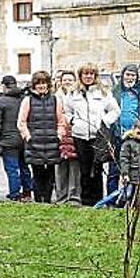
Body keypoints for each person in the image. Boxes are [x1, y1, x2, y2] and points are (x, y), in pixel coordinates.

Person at [64, 63, 120, 206]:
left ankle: (97, 200)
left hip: (98, 136)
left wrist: (104, 122)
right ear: (80, 76)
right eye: (85, 74)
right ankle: (86, 201)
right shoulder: (73, 93)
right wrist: (73, 121)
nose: (88, 77)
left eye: (91, 74)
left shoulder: (103, 92)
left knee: (97, 169)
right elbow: (67, 111)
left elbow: (115, 111)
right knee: (84, 169)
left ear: (95, 76)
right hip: (80, 136)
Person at [17, 70, 67, 204]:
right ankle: (39, 200)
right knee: (37, 173)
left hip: (52, 142)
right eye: (38, 83)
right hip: (35, 143)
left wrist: (59, 136)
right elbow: (21, 122)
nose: (41, 86)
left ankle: (48, 200)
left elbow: (61, 121)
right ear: (34, 85)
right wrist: (28, 137)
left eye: (44, 83)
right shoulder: (28, 100)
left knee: (50, 175)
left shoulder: (55, 100)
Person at [109, 64, 140, 193]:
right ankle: (112, 198)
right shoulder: (114, 92)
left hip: (136, 137)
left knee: (135, 169)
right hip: (117, 135)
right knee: (114, 169)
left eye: (133, 75)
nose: (130, 78)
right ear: (122, 75)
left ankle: (132, 198)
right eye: (127, 74)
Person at [0, 75, 32, 202]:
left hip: (8, 141)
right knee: (24, 167)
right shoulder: (24, 99)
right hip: (24, 138)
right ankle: (27, 192)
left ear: (4, 86)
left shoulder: (1, 101)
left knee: (12, 169)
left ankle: (15, 194)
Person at [54, 70, 81, 205]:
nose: (68, 82)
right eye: (65, 80)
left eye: (70, 79)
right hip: (60, 134)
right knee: (61, 167)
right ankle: (61, 196)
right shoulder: (55, 97)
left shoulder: (78, 95)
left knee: (75, 167)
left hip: (75, 134)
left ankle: (74, 196)